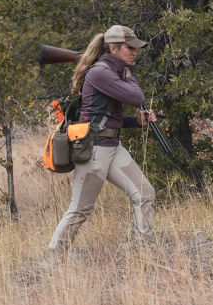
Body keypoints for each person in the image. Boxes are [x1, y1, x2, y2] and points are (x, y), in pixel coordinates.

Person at [48, 25, 158, 252]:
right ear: (114, 48)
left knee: (145, 194)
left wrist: (136, 122)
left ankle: (145, 252)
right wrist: (128, 75)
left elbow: (108, 119)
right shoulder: (101, 73)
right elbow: (137, 97)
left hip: (111, 146)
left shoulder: (109, 71)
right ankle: (52, 260)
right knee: (80, 209)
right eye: (130, 48)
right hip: (94, 150)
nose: (134, 52)